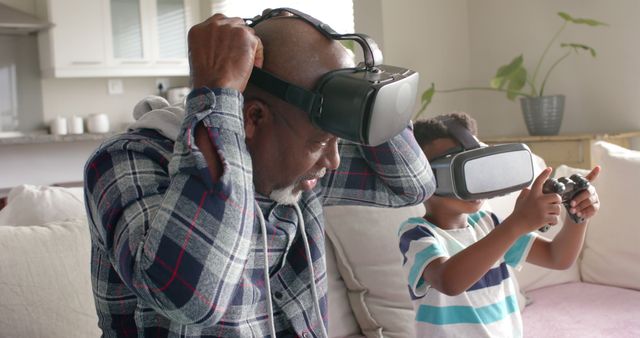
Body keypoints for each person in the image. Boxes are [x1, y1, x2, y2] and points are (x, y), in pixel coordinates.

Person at [84, 10, 435, 338]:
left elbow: (412, 185)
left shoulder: (293, 165)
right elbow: (191, 299)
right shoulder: (127, 160)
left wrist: (364, 90)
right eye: (321, 142)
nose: (333, 162)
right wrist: (218, 95)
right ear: (252, 118)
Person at [397, 112, 600, 338]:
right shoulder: (416, 234)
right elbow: (450, 281)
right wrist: (517, 223)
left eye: (477, 167)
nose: (473, 182)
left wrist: (577, 216)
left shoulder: (489, 223)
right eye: (458, 170)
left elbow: (557, 257)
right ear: (422, 177)